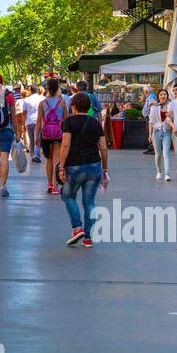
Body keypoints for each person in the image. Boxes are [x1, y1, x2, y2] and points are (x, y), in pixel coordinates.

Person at [58, 92, 109, 247]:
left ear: (73, 106)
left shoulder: (69, 122)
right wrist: (105, 168)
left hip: (74, 165)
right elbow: (103, 148)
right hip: (94, 165)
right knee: (89, 202)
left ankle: (77, 227)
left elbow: (65, 145)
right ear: (88, 108)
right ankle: (88, 238)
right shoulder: (95, 123)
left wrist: (61, 167)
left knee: (68, 196)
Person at [37, 77, 68, 195]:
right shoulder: (62, 103)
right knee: (57, 160)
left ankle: (49, 184)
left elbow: (39, 121)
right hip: (59, 134)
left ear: (47, 89)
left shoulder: (42, 103)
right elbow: (66, 121)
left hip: (45, 135)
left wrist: (35, 136)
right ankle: (55, 186)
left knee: (48, 159)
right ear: (58, 88)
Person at [146, 88, 173, 182]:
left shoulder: (170, 106)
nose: (163, 96)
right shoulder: (154, 107)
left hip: (167, 132)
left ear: (167, 96)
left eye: (165, 94)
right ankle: (158, 171)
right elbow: (151, 121)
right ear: (158, 96)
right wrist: (150, 134)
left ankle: (167, 174)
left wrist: (170, 115)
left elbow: (173, 119)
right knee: (158, 154)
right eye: (161, 94)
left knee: (166, 153)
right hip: (156, 132)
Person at [21, 84, 44, 163]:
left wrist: (23, 124)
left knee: (31, 140)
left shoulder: (26, 100)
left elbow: (24, 113)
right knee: (37, 138)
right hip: (39, 121)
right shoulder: (42, 99)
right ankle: (37, 156)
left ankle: (32, 155)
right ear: (38, 90)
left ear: (30, 91)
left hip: (29, 122)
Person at [141, 84, 158, 155]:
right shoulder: (149, 96)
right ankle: (151, 148)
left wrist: (151, 117)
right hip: (149, 117)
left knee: (150, 132)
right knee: (149, 132)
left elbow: (153, 106)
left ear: (146, 91)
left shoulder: (151, 96)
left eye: (143, 90)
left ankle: (153, 149)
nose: (143, 92)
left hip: (150, 118)